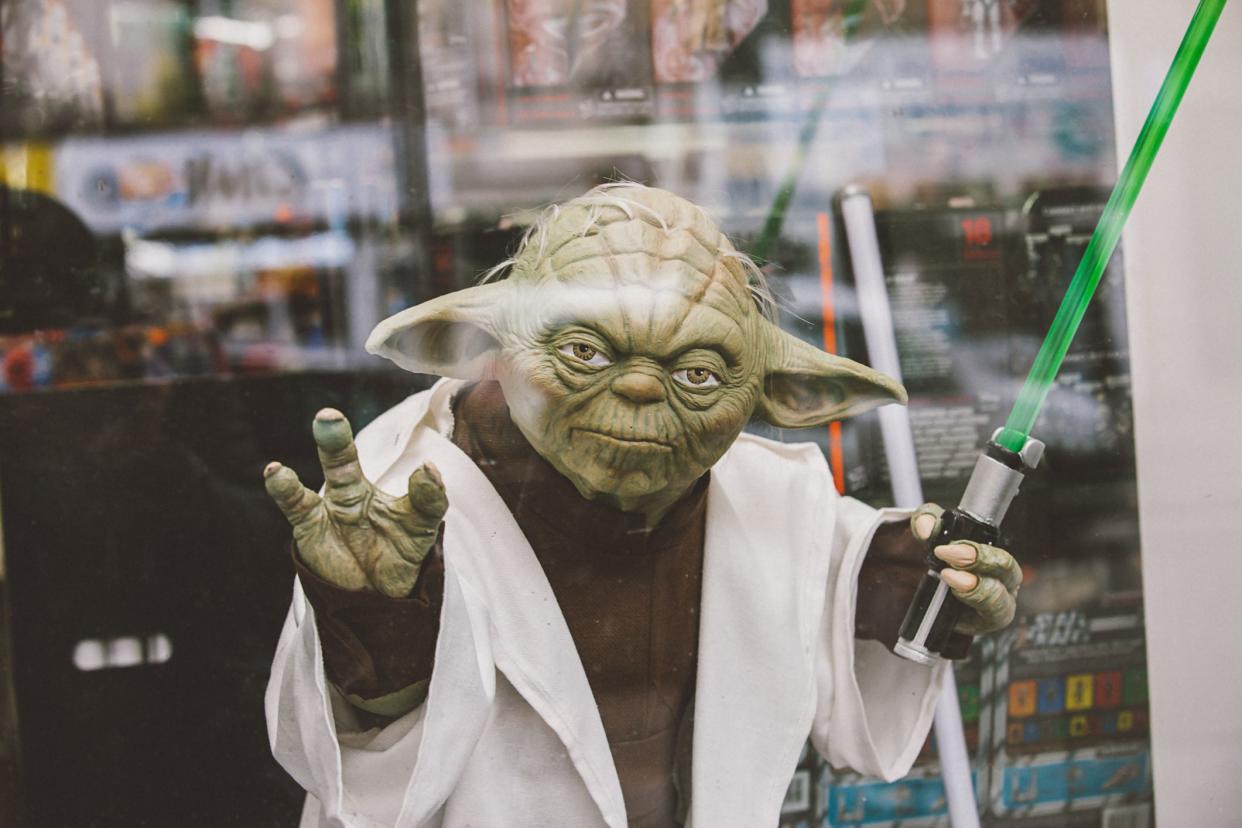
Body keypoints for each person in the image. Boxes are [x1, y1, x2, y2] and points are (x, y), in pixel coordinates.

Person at [263, 184, 1020, 827]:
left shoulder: (769, 498)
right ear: (484, 344)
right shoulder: (401, 501)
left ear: (774, 396)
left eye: (696, 372)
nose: (638, 390)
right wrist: (372, 619)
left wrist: (919, 579)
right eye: (585, 353)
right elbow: (341, 756)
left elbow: (840, 583)